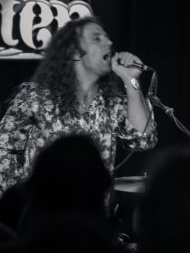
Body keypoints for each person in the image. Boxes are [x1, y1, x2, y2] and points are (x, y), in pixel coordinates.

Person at [0, 17, 157, 196]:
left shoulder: (112, 103)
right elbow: (4, 149)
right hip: (43, 209)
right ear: (74, 52)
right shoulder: (35, 98)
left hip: (93, 211)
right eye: (97, 38)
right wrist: (21, 196)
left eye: (107, 37)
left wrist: (130, 79)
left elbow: (144, 139)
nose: (109, 42)